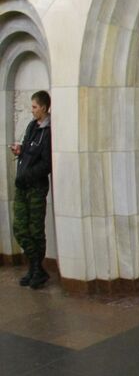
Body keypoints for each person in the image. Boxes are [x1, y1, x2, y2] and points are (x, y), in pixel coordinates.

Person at [11, 90, 53, 288]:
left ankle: (36, 269)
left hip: (35, 187)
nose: (32, 110)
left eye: (35, 107)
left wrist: (27, 175)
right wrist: (20, 150)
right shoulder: (31, 126)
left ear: (44, 107)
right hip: (22, 186)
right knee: (20, 228)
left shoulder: (48, 131)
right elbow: (28, 151)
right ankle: (36, 268)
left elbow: (46, 164)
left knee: (36, 230)